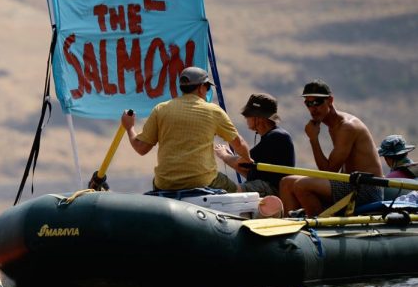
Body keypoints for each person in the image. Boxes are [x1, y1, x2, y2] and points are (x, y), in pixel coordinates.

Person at [121, 66, 251, 193]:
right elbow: (239, 144)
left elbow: (141, 148)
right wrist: (247, 159)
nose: (207, 92)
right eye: (207, 88)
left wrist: (130, 127)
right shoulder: (213, 111)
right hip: (202, 181)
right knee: (238, 191)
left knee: (157, 181)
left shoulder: (160, 109)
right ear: (201, 88)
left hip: (165, 183)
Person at [278, 79, 384, 216]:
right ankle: (291, 229)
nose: (313, 108)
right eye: (308, 103)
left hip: (366, 188)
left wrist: (313, 139)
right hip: (349, 183)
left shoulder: (347, 127)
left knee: (301, 185)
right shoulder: (332, 126)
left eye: (317, 102)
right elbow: (329, 173)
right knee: (286, 183)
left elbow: (329, 171)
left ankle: (318, 228)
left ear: (330, 100)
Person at [215, 93, 295, 197]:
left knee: (227, 192)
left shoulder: (275, 137)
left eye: (247, 115)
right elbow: (246, 169)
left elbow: (242, 162)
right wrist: (230, 157)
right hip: (266, 188)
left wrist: (224, 155)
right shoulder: (274, 136)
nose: (246, 118)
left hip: (270, 189)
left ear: (259, 118)